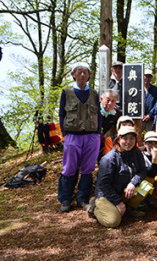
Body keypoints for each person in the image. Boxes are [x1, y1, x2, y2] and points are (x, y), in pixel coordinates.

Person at [58, 62, 101, 213]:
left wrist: (97, 133)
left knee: (88, 169)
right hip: (72, 136)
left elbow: (99, 114)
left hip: (91, 136)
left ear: (89, 75)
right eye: (79, 72)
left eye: (85, 72)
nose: (82, 75)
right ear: (73, 74)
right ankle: (65, 199)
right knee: (69, 168)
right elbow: (61, 114)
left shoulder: (94, 94)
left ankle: (82, 199)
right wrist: (64, 134)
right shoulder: (67, 92)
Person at [91, 126, 149, 228]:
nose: (128, 142)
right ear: (118, 140)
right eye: (125, 138)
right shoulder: (109, 159)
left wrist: (133, 183)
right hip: (106, 194)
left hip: (124, 190)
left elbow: (143, 171)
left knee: (145, 186)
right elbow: (103, 184)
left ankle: (129, 208)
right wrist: (118, 202)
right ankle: (95, 208)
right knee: (113, 221)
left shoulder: (137, 153)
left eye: (131, 138)